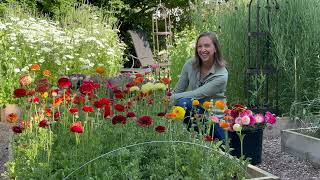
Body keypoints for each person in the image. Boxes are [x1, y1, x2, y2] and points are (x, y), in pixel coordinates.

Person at [170, 32, 228, 140]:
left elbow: (196, 94)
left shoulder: (221, 75)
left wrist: (169, 99)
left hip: (214, 119)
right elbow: (178, 90)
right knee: (181, 102)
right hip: (196, 114)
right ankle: (195, 138)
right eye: (199, 46)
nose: (202, 50)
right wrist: (164, 105)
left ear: (215, 48)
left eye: (207, 46)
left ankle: (216, 140)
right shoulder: (190, 64)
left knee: (184, 102)